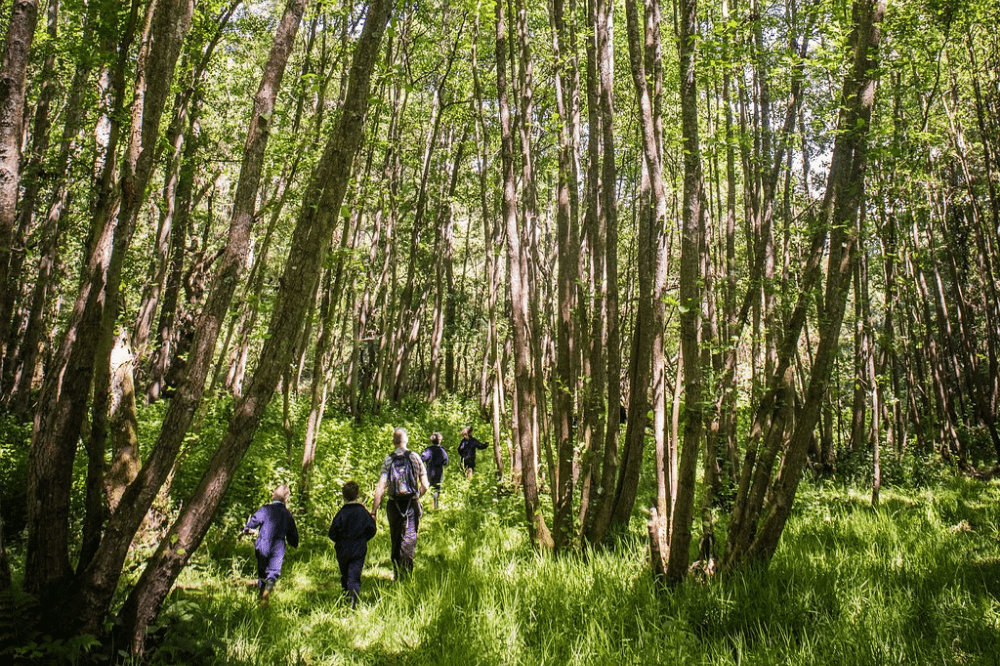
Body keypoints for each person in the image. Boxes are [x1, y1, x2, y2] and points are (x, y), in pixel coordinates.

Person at [371, 427, 429, 579]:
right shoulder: (415, 457)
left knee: (396, 539)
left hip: (394, 505)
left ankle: (397, 575)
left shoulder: (388, 459)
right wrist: (417, 496)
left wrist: (373, 511)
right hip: (412, 505)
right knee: (409, 540)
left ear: (393, 442)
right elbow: (426, 486)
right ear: (406, 441)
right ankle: (407, 578)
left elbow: (380, 487)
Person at [242, 484, 299, 605]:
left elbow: (254, 521)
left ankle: (262, 597)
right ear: (285, 498)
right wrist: (294, 543)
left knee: (262, 572)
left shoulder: (265, 509)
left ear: (274, 495)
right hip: (278, 547)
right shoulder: (287, 514)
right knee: (273, 572)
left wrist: (247, 529)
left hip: (262, 545)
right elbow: (293, 534)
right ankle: (266, 595)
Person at [328, 480, 377, 608]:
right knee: (354, 575)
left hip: (343, 549)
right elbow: (372, 528)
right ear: (357, 495)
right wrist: (363, 539)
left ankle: (347, 598)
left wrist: (339, 541)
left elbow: (332, 533)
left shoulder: (341, 513)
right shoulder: (362, 512)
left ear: (344, 496)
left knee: (345, 573)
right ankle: (352, 602)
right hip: (358, 548)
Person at [420, 432, 449, 509]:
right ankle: (435, 507)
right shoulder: (441, 450)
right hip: (438, 472)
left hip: (429, 472)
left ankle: (426, 505)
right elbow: (445, 461)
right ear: (440, 440)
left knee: (428, 488)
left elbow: (422, 459)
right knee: (436, 489)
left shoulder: (429, 450)